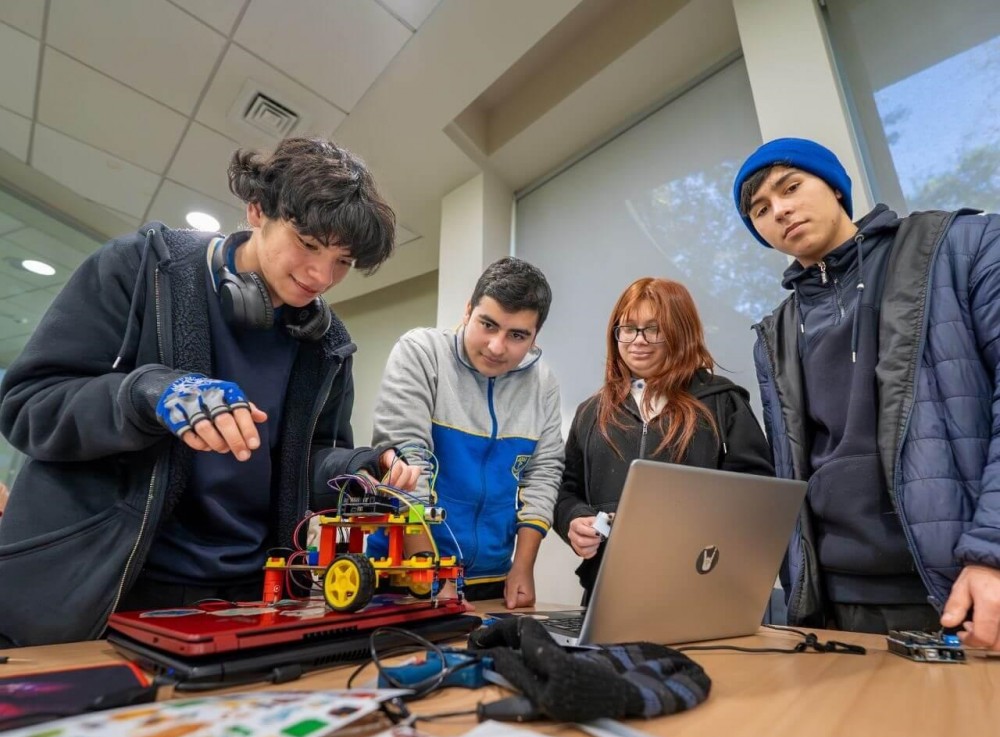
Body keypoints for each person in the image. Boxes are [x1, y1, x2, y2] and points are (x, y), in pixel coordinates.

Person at [0, 137, 420, 647]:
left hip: (252, 593)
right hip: (110, 583)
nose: (321, 276)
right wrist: (149, 393)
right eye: (309, 245)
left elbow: (305, 464)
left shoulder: (327, 346)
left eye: (343, 262)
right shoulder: (142, 270)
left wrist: (358, 471)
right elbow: (29, 406)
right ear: (257, 209)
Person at [733, 136, 1000, 649]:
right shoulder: (776, 333)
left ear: (834, 187)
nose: (780, 210)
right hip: (839, 604)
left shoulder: (961, 245)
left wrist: (991, 550)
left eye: (791, 187)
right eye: (761, 210)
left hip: (964, 585)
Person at [555, 277, 773, 600]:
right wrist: (573, 520)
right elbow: (565, 491)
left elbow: (759, 494)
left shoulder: (722, 403)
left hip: (700, 591)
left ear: (680, 332)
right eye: (627, 328)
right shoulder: (591, 412)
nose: (637, 341)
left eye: (654, 329)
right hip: (608, 592)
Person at [370, 257, 564, 608]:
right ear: (467, 310)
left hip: (490, 581)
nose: (496, 347)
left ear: (535, 336)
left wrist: (523, 567)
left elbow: (544, 474)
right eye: (487, 325)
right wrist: (428, 574)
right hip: (403, 576)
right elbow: (407, 463)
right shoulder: (421, 353)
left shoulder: (543, 384)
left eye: (517, 335)